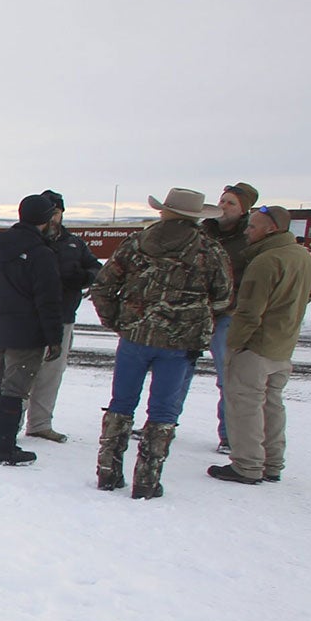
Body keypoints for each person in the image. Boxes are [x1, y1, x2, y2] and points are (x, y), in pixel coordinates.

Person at [88, 187, 233, 498]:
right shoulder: (210, 250)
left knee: (121, 404)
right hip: (180, 345)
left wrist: (119, 322)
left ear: (164, 211)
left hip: (135, 338)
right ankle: (148, 480)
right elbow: (222, 297)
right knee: (164, 411)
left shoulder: (136, 243)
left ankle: (108, 472)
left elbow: (102, 285)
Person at [209, 206, 311, 485]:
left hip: (255, 347)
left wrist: (234, 346)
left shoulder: (266, 261)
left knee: (245, 405)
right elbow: (310, 292)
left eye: (253, 227)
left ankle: (247, 465)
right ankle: (272, 462)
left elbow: (249, 312)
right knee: (272, 404)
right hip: (282, 346)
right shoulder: (302, 257)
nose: (247, 231)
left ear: (271, 229)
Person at [0, 193, 64, 467]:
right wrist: (54, 338)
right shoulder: (41, 253)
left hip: (0, 326)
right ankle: (3, 448)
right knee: (15, 389)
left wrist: (3, 304)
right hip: (27, 332)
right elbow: (49, 300)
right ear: (46, 220)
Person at [24, 189, 102, 441]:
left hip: (63, 315)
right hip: (29, 316)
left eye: (56, 212)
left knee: (52, 372)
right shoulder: (28, 241)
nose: (52, 218)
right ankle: (9, 423)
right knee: (21, 372)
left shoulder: (73, 243)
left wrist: (83, 277)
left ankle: (40, 423)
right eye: (48, 212)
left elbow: (95, 268)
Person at [201, 181, 258, 450]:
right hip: (198, 313)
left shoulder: (249, 240)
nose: (223, 206)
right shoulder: (204, 232)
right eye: (222, 201)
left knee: (227, 377)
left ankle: (228, 434)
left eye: (231, 203)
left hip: (227, 316)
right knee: (179, 369)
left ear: (244, 209)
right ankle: (163, 424)